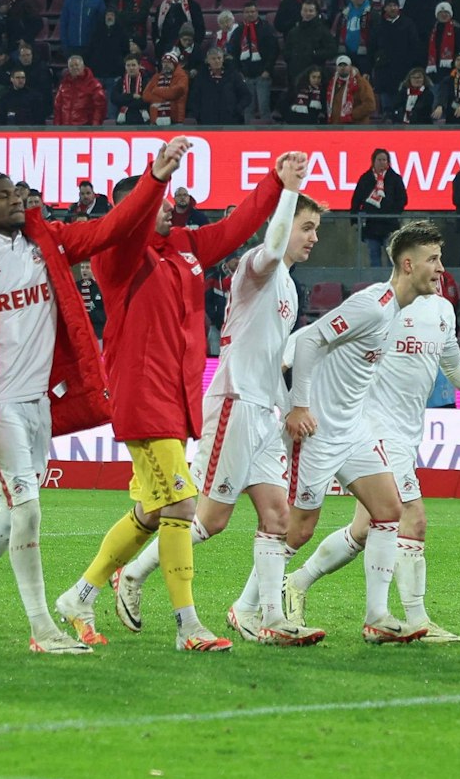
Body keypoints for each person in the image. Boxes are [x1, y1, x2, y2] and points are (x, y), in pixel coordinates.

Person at [54, 139, 284, 654]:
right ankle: (188, 625)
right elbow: (130, 221)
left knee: (153, 512)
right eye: (154, 202)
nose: (166, 207)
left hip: (177, 400)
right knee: (183, 505)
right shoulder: (117, 256)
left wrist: (275, 182)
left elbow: (233, 230)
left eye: (165, 199)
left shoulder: (183, 244)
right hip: (141, 398)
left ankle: (79, 595)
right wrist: (153, 176)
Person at [0, 158, 173, 656]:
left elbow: (110, 227)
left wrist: (155, 179)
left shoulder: (43, 242)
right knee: (27, 513)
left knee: (12, 517)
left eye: (19, 192)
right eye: (5, 195)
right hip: (0, 402)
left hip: (37, 403)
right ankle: (42, 629)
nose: (17, 199)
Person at [114, 154, 323, 645]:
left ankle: (271, 618)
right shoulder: (257, 267)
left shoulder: (290, 286)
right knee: (210, 519)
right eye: (306, 227)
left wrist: (289, 403)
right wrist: (287, 189)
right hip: (233, 402)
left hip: (262, 411)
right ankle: (134, 574)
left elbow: (273, 356)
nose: (313, 237)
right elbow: (271, 246)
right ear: (282, 224)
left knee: (277, 516)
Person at [282, 232, 460, 645]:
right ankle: (416, 621)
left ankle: (295, 582)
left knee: (369, 527)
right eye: (434, 259)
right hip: (373, 426)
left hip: (407, 430)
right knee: (413, 519)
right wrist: (294, 388)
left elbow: (453, 365)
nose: (442, 269)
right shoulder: (383, 305)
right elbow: (314, 338)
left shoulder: (442, 310)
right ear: (409, 264)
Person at [351, 148, 409, 267]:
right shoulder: (365, 178)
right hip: (371, 226)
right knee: (374, 257)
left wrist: (393, 213)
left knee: (391, 258)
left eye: (384, 160)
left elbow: (402, 199)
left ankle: (391, 284)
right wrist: (353, 218)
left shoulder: (395, 178)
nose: (382, 162)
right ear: (373, 161)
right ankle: (377, 283)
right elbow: (356, 198)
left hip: (390, 225)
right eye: (379, 160)